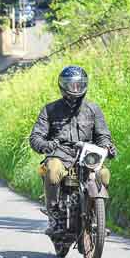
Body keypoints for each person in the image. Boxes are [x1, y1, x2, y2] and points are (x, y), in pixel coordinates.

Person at [29, 65, 118, 235]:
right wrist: (45, 145)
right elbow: (35, 137)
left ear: (84, 85)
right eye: (71, 85)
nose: (75, 88)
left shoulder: (93, 109)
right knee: (53, 170)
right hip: (60, 155)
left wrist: (106, 146)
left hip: (86, 156)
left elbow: (103, 134)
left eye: (79, 84)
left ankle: (97, 216)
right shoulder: (50, 110)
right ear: (63, 86)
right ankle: (54, 215)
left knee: (103, 174)